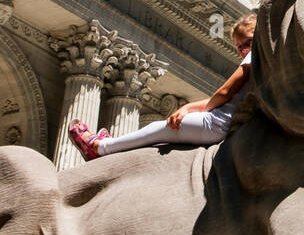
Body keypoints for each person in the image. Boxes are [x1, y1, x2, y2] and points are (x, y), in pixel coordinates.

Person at [68, 16, 256, 159]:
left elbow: (224, 92)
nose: (244, 50)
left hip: (215, 124)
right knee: (160, 133)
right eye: (239, 47)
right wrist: (188, 108)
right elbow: (225, 98)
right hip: (222, 126)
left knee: (160, 128)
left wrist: (191, 113)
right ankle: (114, 145)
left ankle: (99, 147)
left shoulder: (254, 56)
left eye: (249, 42)